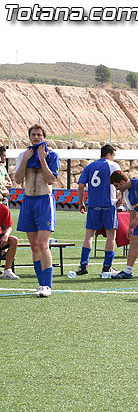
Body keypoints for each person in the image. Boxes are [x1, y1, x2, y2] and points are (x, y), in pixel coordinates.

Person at [12, 124, 60, 297]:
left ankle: (47, 285)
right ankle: (41, 284)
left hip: (44, 201)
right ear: (29, 136)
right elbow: (18, 179)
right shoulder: (23, 155)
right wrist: (25, 160)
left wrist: (42, 159)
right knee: (34, 246)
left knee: (42, 244)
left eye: (39, 134)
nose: (36, 137)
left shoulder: (51, 155)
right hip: (28, 201)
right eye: (33, 134)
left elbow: (50, 180)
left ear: (44, 136)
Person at [74, 144, 121, 276]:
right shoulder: (113, 165)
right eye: (113, 155)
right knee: (111, 235)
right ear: (109, 154)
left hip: (93, 205)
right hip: (109, 204)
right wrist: (121, 198)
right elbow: (121, 182)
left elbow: (81, 186)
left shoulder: (90, 166)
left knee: (89, 234)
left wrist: (81, 202)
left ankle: (83, 265)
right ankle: (107, 267)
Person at [0, 200, 20, 279]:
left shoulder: (4, 208)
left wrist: (6, 235)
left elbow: (9, 227)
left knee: (13, 240)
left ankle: (7, 271)